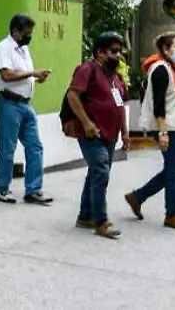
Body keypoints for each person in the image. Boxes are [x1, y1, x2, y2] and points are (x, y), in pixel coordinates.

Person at [125, 32, 175, 232]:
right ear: (165, 49)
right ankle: (172, 214)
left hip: (174, 126)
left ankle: (137, 197)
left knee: (171, 170)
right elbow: (159, 104)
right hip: (166, 127)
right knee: (174, 172)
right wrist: (163, 132)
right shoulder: (161, 69)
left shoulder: (172, 68)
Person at [66, 31, 129, 240]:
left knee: (96, 173)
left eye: (119, 51)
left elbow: (120, 106)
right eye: (113, 51)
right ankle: (101, 221)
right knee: (101, 171)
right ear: (100, 52)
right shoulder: (87, 70)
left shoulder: (116, 78)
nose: (117, 55)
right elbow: (73, 95)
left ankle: (85, 216)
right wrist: (86, 122)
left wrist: (125, 133)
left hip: (111, 135)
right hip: (92, 133)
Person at [0, 14, 53, 205]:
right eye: (27, 33)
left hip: (26, 104)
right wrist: (33, 73)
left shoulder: (23, 49)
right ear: (15, 31)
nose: (29, 36)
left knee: (35, 146)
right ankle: (1, 189)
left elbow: (23, 75)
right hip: (9, 103)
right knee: (7, 148)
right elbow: (7, 75)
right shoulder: (3, 49)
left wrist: (36, 79)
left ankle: (33, 190)